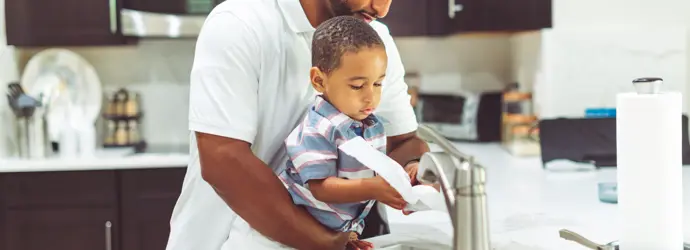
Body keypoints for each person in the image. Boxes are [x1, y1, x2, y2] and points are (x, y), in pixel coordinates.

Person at [166, 0, 431, 249]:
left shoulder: (374, 39)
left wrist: (411, 173)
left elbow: (404, 142)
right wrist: (327, 243)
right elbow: (223, 161)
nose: (381, 9)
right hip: (220, 240)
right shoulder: (239, 23)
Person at [276, 16, 408, 250]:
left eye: (378, 84)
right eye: (357, 86)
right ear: (319, 80)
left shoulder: (370, 125)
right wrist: (375, 187)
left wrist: (408, 174)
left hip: (336, 234)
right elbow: (321, 188)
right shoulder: (316, 129)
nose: (371, 97)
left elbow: (370, 170)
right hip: (296, 237)